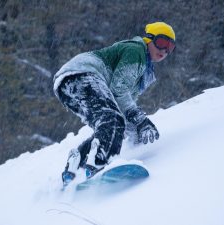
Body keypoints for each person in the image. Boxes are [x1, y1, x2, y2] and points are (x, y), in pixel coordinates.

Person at [53, 21, 176, 186]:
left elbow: (122, 107)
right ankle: (99, 163)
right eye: (162, 42)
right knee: (112, 119)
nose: (164, 50)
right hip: (84, 73)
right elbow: (118, 90)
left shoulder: (143, 71)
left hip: (66, 86)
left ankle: (76, 166)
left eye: (170, 47)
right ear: (149, 39)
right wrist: (140, 119)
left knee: (110, 122)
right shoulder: (136, 50)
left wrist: (136, 131)